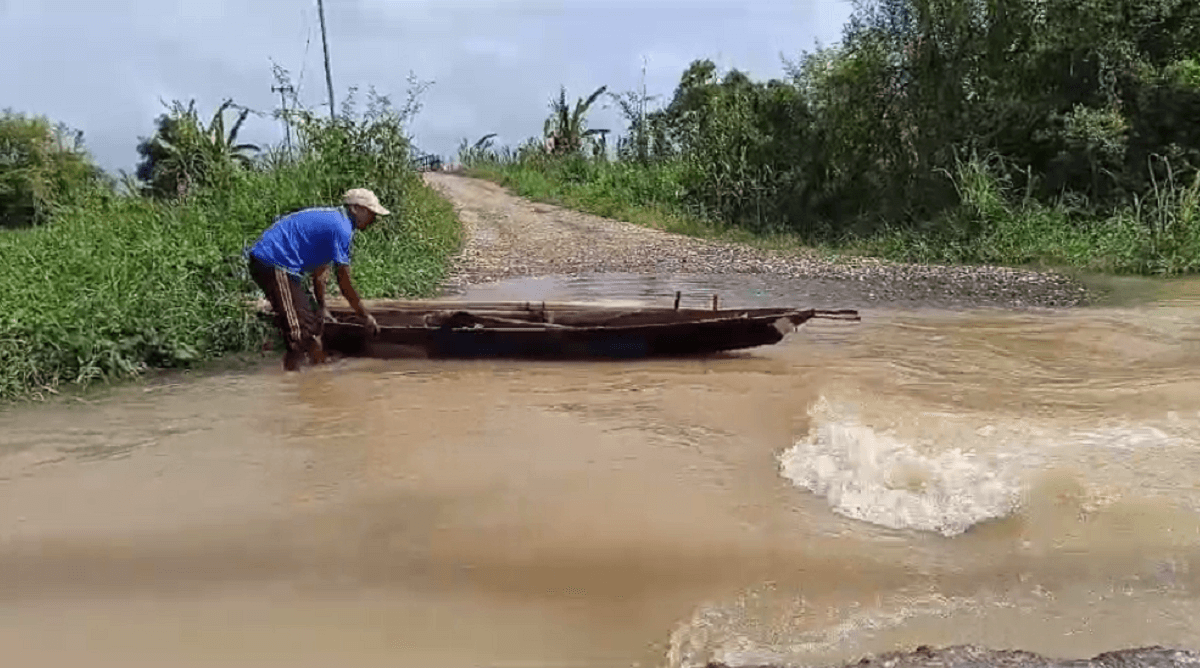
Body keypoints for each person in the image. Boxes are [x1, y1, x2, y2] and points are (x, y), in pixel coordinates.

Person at [247, 188, 388, 371]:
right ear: (355, 208)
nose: (373, 219)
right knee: (298, 329)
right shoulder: (341, 227)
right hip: (274, 262)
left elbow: (321, 272)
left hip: (286, 268)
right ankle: (292, 378)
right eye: (371, 213)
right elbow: (344, 283)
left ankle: (319, 371)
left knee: (314, 322)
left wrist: (322, 306)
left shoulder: (336, 223)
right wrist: (364, 315)